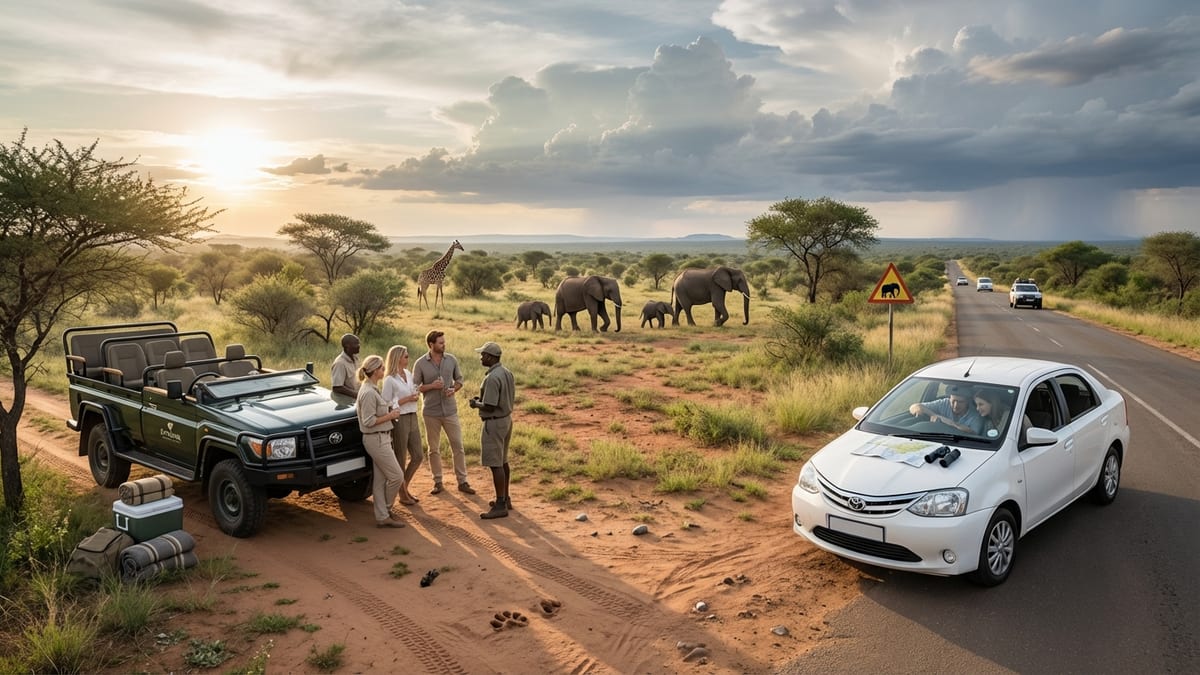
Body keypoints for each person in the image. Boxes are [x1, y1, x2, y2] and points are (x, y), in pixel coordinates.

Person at [412, 330, 475, 495]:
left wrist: (453, 389)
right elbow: (414, 387)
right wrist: (432, 386)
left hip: (450, 411)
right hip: (430, 412)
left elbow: (459, 380)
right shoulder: (420, 363)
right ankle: (438, 482)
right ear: (431, 344)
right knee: (433, 448)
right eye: (440, 343)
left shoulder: (451, 360)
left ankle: (462, 481)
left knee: (458, 446)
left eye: (444, 342)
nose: (444, 345)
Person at [354, 354, 407, 528]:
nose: (384, 370)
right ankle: (386, 509)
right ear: (375, 370)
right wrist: (390, 415)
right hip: (376, 439)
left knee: (380, 480)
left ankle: (382, 516)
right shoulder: (369, 392)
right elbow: (368, 421)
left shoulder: (371, 389)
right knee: (397, 476)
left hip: (380, 438)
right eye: (382, 368)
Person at [468, 341, 515, 520]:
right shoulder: (506, 372)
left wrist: (475, 404)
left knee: (496, 464)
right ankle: (505, 498)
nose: (481, 358)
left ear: (490, 357)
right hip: (506, 420)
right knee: (503, 461)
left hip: (494, 423)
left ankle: (500, 505)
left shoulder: (492, 377)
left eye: (483, 355)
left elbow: (489, 405)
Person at [381, 345, 422, 504]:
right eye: (406, 356)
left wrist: (415, 396)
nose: (408, 358)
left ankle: (403, 487)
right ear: (397, 358)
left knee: (418, 456)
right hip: (399, 419)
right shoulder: (389, 380)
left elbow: (412, 392)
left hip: (412, 415)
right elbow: (386, 404)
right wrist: (407, 399)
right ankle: (403, 493)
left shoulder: (408, 374)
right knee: (401, 457)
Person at [908, 384, 985, 434]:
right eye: (953, 401)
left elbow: (973, 434)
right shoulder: (944, 403)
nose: (956, 405)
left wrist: (944, 421)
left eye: (960, 402)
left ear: (968, 401)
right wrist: (932, 415)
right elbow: (914, 406)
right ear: (949, 398)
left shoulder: (976, 415)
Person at [331, 333, 361, 406]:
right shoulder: (340, 363)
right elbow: (337, 387)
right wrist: (357, 395)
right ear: (347, 346)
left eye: (358, 343)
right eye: (356, 344)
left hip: (357, 400)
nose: (358, 346)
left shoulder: (355, 358)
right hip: (347, 404)